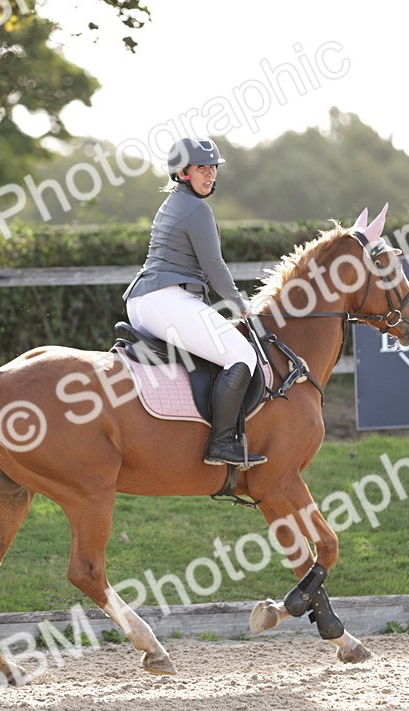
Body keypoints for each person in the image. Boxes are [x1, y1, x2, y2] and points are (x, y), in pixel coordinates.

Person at [122, 137, 266, 469]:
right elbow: (214, 266)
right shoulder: (196, 208)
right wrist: (239, 303)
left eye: (213, 168)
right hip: (165, 299)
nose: (210, 175)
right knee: (242, 355)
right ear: (182, 172)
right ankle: (220, 443)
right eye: (202, 168)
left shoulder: (177, 202)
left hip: (152, 300)